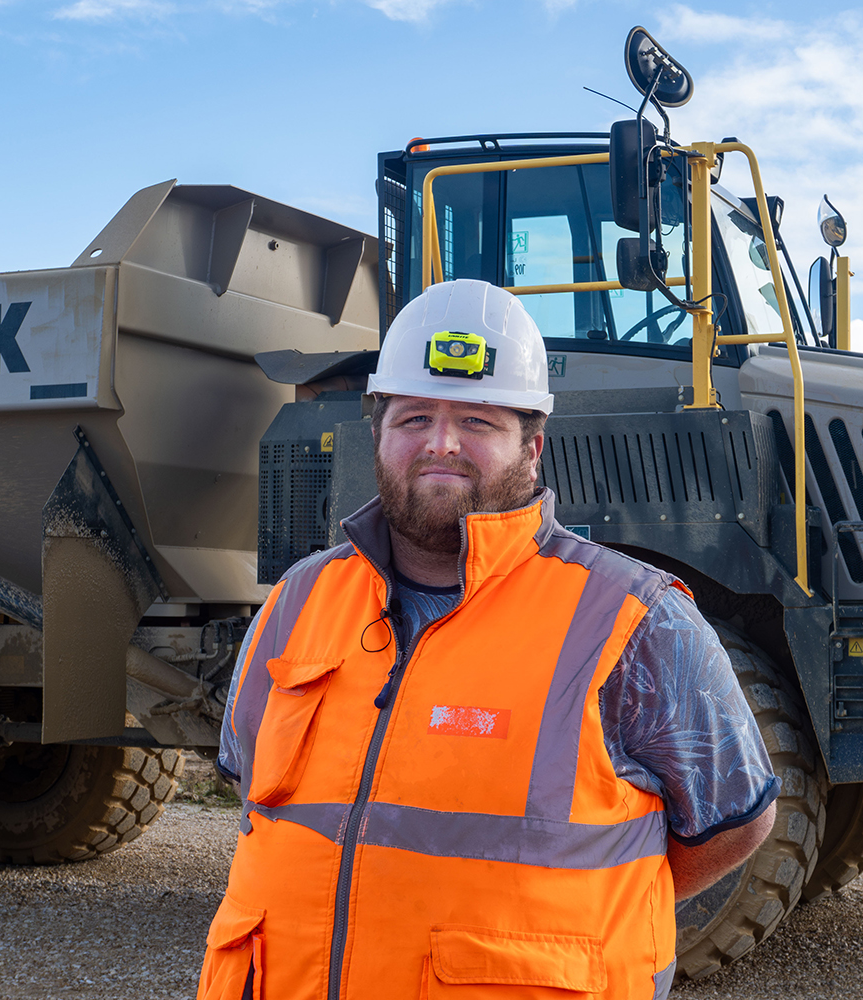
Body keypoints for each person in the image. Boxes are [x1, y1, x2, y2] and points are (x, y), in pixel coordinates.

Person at [199, 279, 779, 1000]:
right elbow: (257, 804)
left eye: (477, 419)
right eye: (414, 416)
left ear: (533, 447)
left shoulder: (637, 620)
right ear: (378, 432)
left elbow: (734, 825)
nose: (441, 443)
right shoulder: (297, 600)